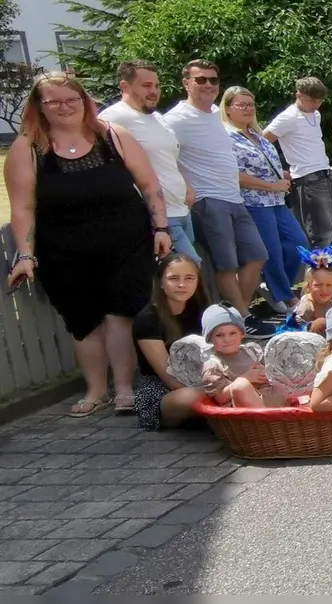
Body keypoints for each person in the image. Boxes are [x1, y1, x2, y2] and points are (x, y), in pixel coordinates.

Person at [6, 73, 172, 417]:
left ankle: (125, 388)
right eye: (54, 101)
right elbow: (22, 207)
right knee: (83, 322)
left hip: (125, 243)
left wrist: (161, 227)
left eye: (72, 99)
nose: (64, 107)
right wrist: (25, 254)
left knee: (120, 315)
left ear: (85, 101)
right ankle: (96, 390)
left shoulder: (114, 136)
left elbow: (150, 185)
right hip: (63, 250)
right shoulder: (27, 148)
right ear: (40, 106)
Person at [163, 60, 267, 314]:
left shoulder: (214, 116)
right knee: (226, 266)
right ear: (186, 82)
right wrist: (185, 187)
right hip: (208, 201)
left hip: (235, 198)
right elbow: (162, 157)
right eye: (200, 79)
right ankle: (242, 317)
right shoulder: (174, 119)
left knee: (257, 255)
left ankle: (233, 315)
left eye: (213, 80)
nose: (208, 84)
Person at [221, 85, 310, 313]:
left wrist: (281, 175)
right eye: (241, 104)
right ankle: (285, 297)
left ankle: (277, 288)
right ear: (228, 108)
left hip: (276, 200)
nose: (248, 109)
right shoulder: (226, 137)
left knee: (297, 242)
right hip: (254, 202)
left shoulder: (256, 134)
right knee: (271, 251)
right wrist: (271, 184)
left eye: (251, 104)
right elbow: (235, 174)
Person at [100, 60, 200, 261]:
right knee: (190, 271)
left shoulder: (157, 117)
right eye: (146, 85)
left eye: (156, 85)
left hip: (182, 209)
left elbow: (168, 159)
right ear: (125, 86)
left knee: (175, 280)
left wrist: (187, 186)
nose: (154, 91)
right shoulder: (113, 118)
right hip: (159, 216)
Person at [263, 77, 332, 252]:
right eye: (311, 100)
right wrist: (277, 169)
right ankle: (320, 275)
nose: (316, 104)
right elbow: (263, 141)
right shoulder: (287, 117)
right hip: (307, 179)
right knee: (322, 234)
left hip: (326, 174)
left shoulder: (316, 114)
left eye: (319, 101)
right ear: (299, 94)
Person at [130, 254, 208, 430]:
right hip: (163, 390)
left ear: (197, 282)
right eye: (174, 278)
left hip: (203, 380)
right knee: (192, 397)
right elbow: (170, 379)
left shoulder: (202, 311)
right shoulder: (147, 320)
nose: (182, 284)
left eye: (189, 278)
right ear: (161, 283)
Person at [198, 304, 283, 409]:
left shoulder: (251, 352)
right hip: (243, 408)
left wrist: (265, 373)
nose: (227, 339)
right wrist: (246, 378)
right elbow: (220, 398)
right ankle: (266, 418)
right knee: (241, 385)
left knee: (284, 379)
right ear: (210, 339)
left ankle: (291, 414)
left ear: (242, 334)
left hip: (266, 397)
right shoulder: (213, 364)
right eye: (219, 335)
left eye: (232, 333)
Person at [286, 245, 332, 335]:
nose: (324, 289)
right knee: (321, 323)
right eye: (318, 285)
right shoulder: (306, 307)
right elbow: (298, 332)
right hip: (306, 339)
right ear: (308, 286)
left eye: (329, 285)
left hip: (328, 336)